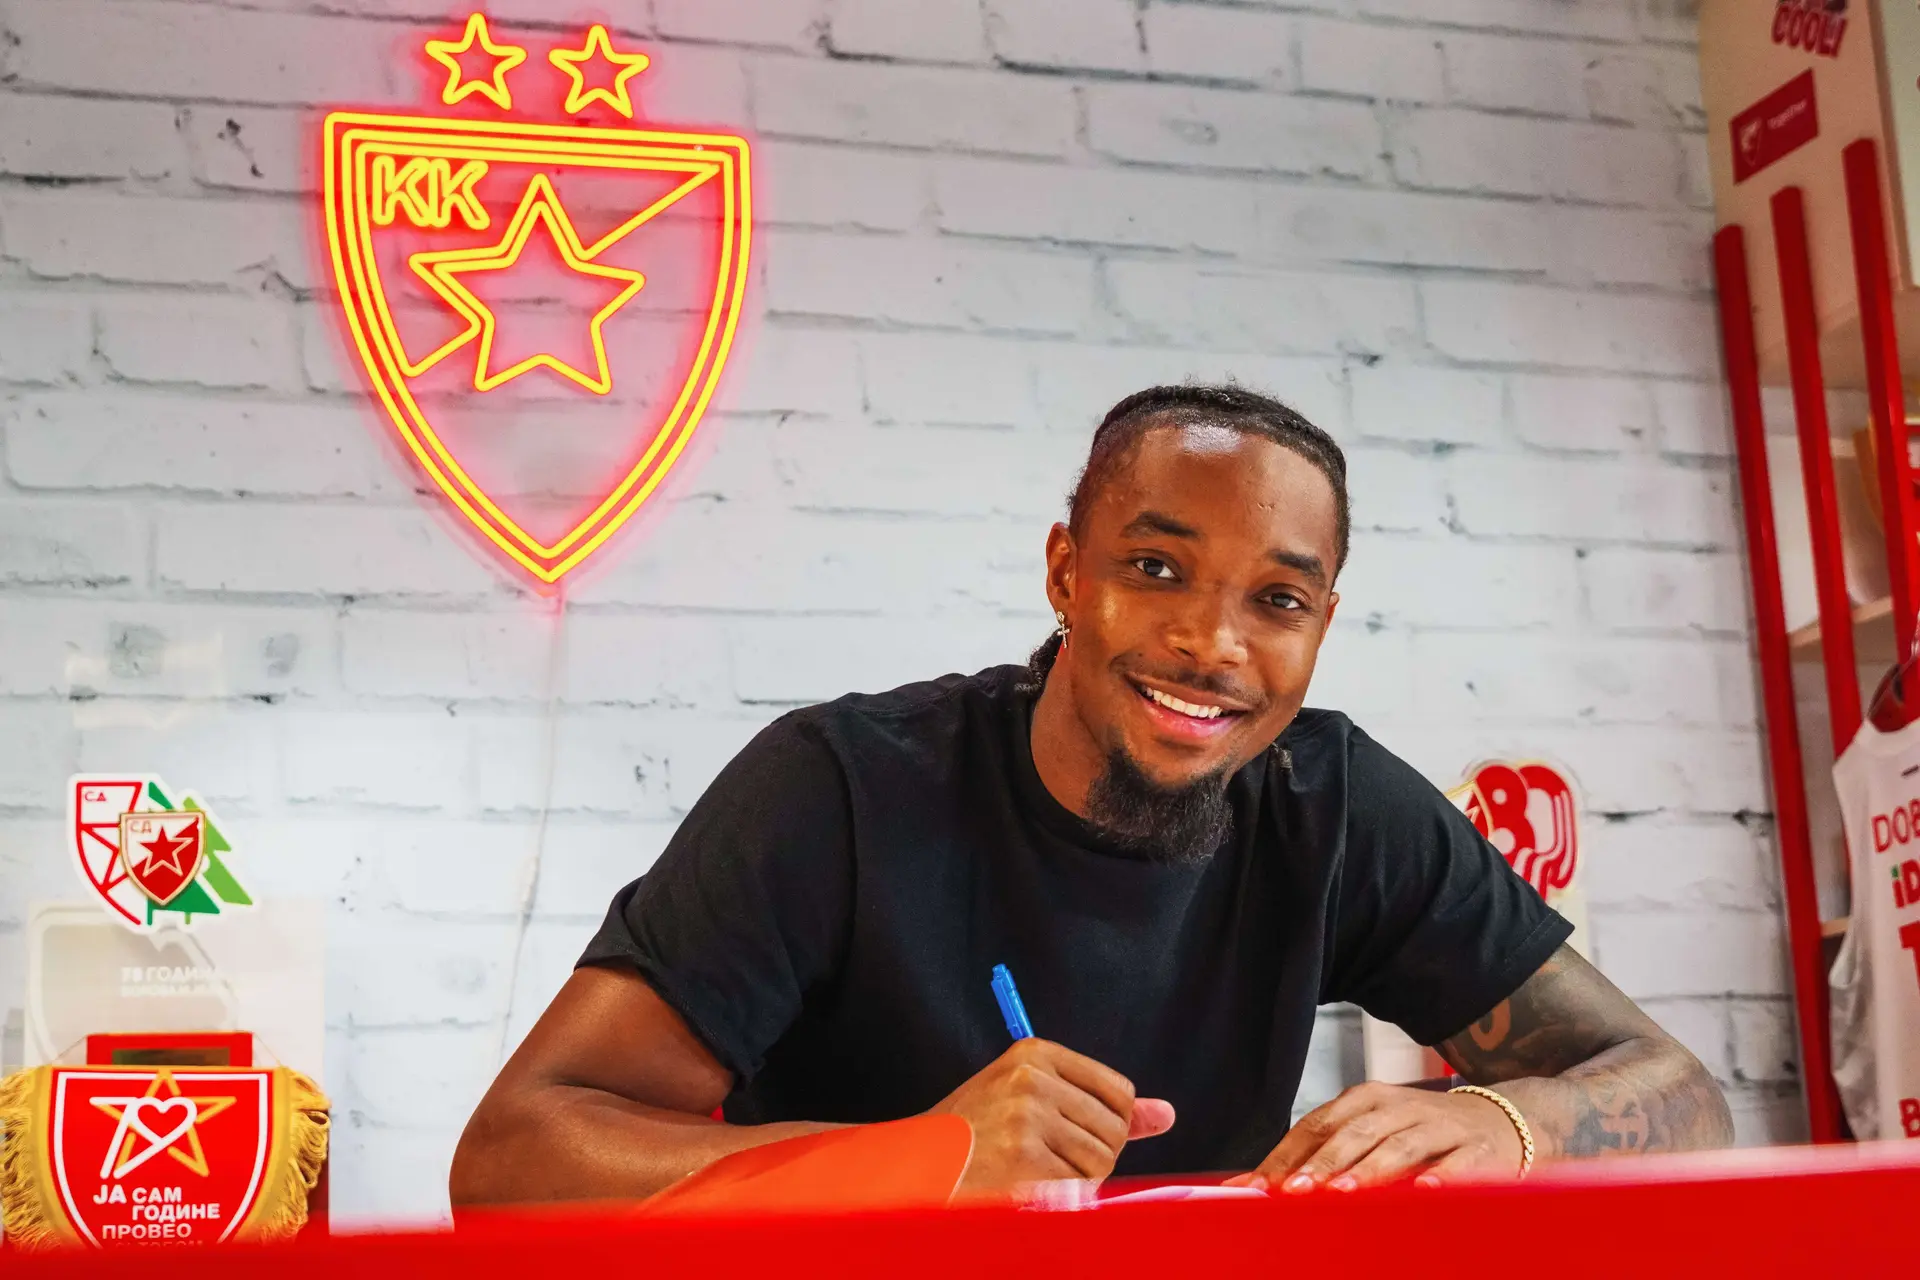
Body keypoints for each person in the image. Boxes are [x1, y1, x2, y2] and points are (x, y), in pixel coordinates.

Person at [450, 385, 1733, 1205]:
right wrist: (931, 1154)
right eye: (1156, 567)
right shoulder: (839, 786)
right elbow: (512, 1160)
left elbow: (1683, 1095)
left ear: (1322, 625)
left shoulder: (1331, 800)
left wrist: (1508, 1126)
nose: (1213, 643)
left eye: (1277, 599)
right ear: (1067, 572)